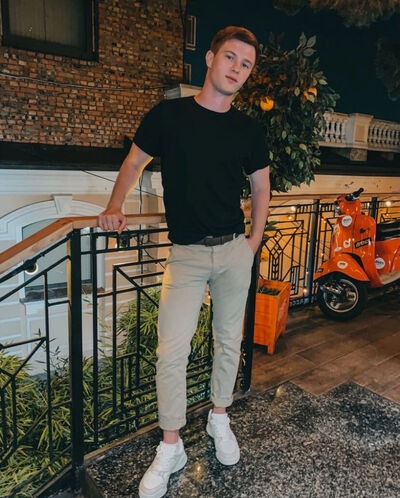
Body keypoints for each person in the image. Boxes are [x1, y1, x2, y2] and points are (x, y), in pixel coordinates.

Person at [98, 25, 270, 498]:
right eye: (230, 57)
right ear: (211, 59)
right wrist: (114, 205)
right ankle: (170, 445)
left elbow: (261, 186)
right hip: (188, 255)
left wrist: (253, 242)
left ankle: (219, 417)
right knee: (172, 350)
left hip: (234, 250)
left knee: (228, 342)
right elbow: (133, 162)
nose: (237, 68)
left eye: (246, 64)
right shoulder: (168, 115)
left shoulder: (248, 129)